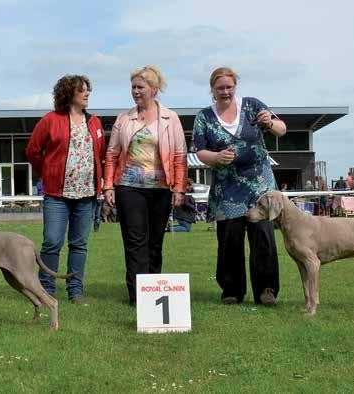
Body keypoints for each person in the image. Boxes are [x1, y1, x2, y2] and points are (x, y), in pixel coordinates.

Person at [193, 67, 287, 306]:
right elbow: (200, 151)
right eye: (220, 88)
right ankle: (231, 290)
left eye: (229, 87)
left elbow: (282, 128)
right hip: (227, 188)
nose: (225, 92)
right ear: (212, 89)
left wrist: (269, 123)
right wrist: (215, 158)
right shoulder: (204, 116)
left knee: (263, 237)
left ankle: (267, 290)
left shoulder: (252, 105)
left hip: (259, 185)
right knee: (229, 240)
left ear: (235, 86)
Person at [103, 65, 187, 305]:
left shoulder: (171, 118)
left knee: (155, 241)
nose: (135, 92)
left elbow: (180, 156)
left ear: (154, 89)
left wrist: (179, 188)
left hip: (161, 189)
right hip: (129, 188)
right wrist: (108, 186)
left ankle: (154, 291)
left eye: (140, 87)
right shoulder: (124, 119)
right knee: (135, 241)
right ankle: (137, 296)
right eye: (133, 87)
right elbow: (112, 154)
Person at [26, 75, 105, 305]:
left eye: (88, 90)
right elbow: (33, 151)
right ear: (69, 93)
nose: (87, 94)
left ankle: (75, 291)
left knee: (79, 244)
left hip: (87, 195)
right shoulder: (50, 120)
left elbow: (100, 155)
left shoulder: (95, 122)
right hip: (56, 196)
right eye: (83, 90)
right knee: (52, 242)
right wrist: (47, 172)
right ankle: (46, 289)